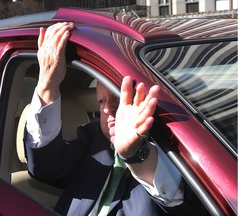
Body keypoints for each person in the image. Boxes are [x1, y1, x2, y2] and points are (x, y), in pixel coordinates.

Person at [24, 22, 206, 216]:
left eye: (118, 99)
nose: (108, 109)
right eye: (101, 101)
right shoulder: (91, 139)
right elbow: (45, 167)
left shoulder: (178, 149)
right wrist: (47, 85)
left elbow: (183, 205)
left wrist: (135, 154)